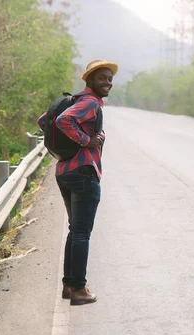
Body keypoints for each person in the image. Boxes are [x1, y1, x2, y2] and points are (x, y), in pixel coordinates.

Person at [53, 59, 118, 305]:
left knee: (75, 230)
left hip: (65, 171)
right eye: (102, 78)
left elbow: (44, 121)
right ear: (90, 79)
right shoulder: (90, 102)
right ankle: (79, 290)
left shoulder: (76, 99)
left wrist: (87, 137)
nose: (107, 83)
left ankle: (69, 285)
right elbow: (62, 121)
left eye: (110, 79)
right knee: (81, 233)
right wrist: (84, 140)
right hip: (84, 173)